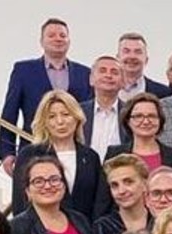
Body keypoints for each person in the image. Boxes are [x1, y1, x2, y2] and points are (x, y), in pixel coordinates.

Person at [0, 18, 92, 175]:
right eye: (51, 35)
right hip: (32, 149)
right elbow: (9, 113)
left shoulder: (84, 73)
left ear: (69, 41)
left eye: (62, 35)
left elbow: (88, 115)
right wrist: (7, 152)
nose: (58, 39)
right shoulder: (23, 70)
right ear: (41, 41)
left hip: (74, 152)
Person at [11, 90, 109, 221]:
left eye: (66, 114)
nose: (60, 121)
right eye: (52, 116)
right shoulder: (29, 155)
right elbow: (19, 203)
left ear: (77, 118)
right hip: (41, 231)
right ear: (44, 122)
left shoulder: (91, 157)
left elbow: (99, 204)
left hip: (84, 230)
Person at [9, 156, 94, 234]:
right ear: (28, 191)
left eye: (54, 179)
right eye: (38, 181)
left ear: (63, 186)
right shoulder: (16, 228)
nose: (48, 186)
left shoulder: (80, 221)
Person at [93, 154, 152, 234]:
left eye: (128, 182)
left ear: (145, 184)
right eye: (114, 185)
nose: (121, 191)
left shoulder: (158, 222)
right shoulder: (102, 227)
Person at [105, 92, 172, 173]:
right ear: (128, 121)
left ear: (160, 120)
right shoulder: (114, 153)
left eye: (152, 116)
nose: (146, 121)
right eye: (138, 116)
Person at [81, 55, 128, 158]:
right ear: (91, 79)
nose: (108, 75)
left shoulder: (130, 112)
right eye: (102, 71)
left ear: (123, 82)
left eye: (114, 72)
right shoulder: (78, 112)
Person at [117, 32, 172, 101]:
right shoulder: (105, 89)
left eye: (138, 52)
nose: (132, 56)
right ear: (117, 58)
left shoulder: (164, 93)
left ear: (146, 59)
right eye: (126, 51)